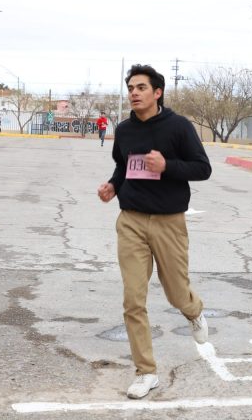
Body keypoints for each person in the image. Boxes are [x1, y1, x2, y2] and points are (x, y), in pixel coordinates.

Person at [97, 64, 211, 400]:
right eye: (131, 88)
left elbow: (202, 168)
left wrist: (167, 166)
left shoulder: (178, 126)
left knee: (176, 293)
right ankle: (146, 372)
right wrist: (113, 186)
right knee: (133, 299)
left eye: (141, 87)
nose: (134, 93)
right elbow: (123, 165)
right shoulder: (124, 130)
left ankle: (193, 310)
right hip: (131, 220)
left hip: (168, 221)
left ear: (157, 92)